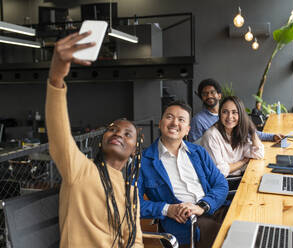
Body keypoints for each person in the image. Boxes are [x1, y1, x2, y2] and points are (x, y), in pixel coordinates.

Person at [45, 31, 143, 247]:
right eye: (113, 129)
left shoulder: (131, 190)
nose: (118, 133)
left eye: (127, 134)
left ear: (135, 149)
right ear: (102, 139)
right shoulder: (80, 169)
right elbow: (59, 133)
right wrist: (56, 79)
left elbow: (134, 240)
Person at [138, 101, 228, 248]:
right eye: (169, 117)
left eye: (181, 120)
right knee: (225, 237)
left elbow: (221, 184)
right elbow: (133, 204)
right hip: (185, 223)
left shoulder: (198, 152)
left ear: (187, 130)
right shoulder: (143, 161)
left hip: (212, 208)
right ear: (160, 123)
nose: (174, 123)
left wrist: (203, 206)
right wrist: (167, 209)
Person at [188, 78, 283, 143]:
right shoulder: (198, 120)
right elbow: (194, 147)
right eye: (205, 94)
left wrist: (272, 136)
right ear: (201, 98)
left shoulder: (229, 116)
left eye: (212, 92)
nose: (209, 96)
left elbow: (249, 132)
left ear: (219, 95)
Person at [201, 96, 264, 177]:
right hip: (224, 183)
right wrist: (242, 162)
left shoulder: (237, 131)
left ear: (241, 115)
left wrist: (252, 131)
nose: (229, 117)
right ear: (220, 113)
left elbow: (258, 154)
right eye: (225, 112)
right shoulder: (211, 135)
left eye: (234, 112)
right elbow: (220, 171)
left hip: (239, 177)